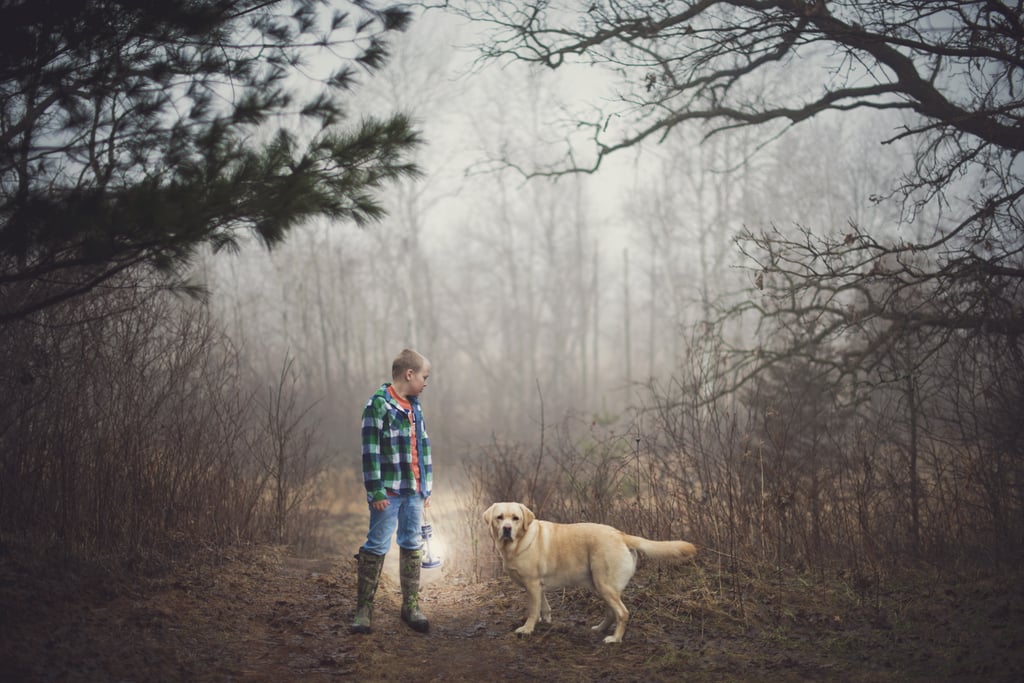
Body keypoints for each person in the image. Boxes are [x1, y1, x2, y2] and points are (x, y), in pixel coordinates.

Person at [351, 349, 433, 634]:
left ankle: (410, 605)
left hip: (413, 490)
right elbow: (369, 453)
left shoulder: (415, 406)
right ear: (409, 374)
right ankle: (363, 608)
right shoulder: (377, 405)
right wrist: (376, 491)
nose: (425, 383)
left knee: (412, 542)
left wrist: (426, 486)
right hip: (389, 491)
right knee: (376, 544)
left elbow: (422, 445)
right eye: (424, 377)